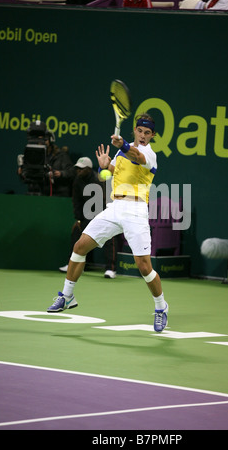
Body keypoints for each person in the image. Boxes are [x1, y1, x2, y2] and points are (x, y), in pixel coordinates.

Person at [47, 113, 168, 333]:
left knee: (144, 266)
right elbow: (111, 174)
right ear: (135, 130)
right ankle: (67, 295)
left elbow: (138, 158)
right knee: (80, 246)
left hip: (136, 210)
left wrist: (122, 145)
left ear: (152, 136)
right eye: (140, 131)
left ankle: (161, 307)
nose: (143, 135)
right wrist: (105, 166)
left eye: (147, 133)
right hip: (115, 208)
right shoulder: (122, 152)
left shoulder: (149, 154)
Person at [59, 156, 118, 278]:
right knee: (76, 231)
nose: (79, 171)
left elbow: (107, 199)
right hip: (88, 215)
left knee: (109, 238)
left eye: (82, 169)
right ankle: (75, 265)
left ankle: (110, 269)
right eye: (77, 169)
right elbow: (77, 201)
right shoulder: (77, 181)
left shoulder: (99, 179)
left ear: (89, 169)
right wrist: (79, 219)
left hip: (104, 213)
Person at [18, 121, 75, 197]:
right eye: (39, 139)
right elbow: (27, 177)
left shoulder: (61, 155)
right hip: (39, 193)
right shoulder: (33, 154)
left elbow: (72, 172)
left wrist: (61, 174)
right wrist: (21, 172)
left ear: (50, 140)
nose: (42, 142)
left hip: (58, 194)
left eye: (45, 140)